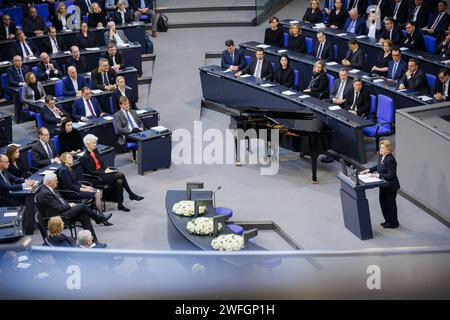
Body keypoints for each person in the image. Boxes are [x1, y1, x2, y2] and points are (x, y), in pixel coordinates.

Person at [36, 172, 109, 245]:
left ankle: (94, 242)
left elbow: (61, 202)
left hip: (63, 211)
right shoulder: (45, 194)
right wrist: (70, 205)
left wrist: (68, 204)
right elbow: (58, 208)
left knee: (84, 216)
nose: (57, 182)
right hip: (58, 217)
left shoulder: (50, 189)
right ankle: (98, 218)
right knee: (82, 206)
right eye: (55, 180)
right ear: (50, 182)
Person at [80, 134, 144, 212]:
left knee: (119, 181)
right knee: (120, 174)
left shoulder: (95, 150)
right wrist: (104, 171)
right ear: (87, 144)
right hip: (95, 178)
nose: (95, 144)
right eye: (93, 143)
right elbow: (90, 172)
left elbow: (101, 163)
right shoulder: (84, 158)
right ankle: (131, 194)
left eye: (95, 142)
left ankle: (120, 205)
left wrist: (107, 169)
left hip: (102, 174)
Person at [58, 152, 110, 222]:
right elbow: (70, 186)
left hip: (76, 189)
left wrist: (86, 186)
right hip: (72, 193)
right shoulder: (64, 170)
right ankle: (101, 217)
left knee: (96, 190)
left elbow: (75, 182)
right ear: (64, 160)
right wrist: (85, 190)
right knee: (96, 194)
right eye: (69, 158)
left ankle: (97, 216)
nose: (72, 159)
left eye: (71, 157)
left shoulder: (68, 168)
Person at [360, 140, 400, 229]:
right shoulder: (381, 156)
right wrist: (368, 170)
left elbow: (391, 175)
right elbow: (378, 166)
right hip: (383, 185)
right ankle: (387, 221)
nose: (380, 149)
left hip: (391, 187)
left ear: (388, 149)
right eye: (380, 147)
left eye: (382, 147)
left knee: (390, 206)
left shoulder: (391, 160)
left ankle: (393, 223)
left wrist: (376, 175)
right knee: (383, 203)